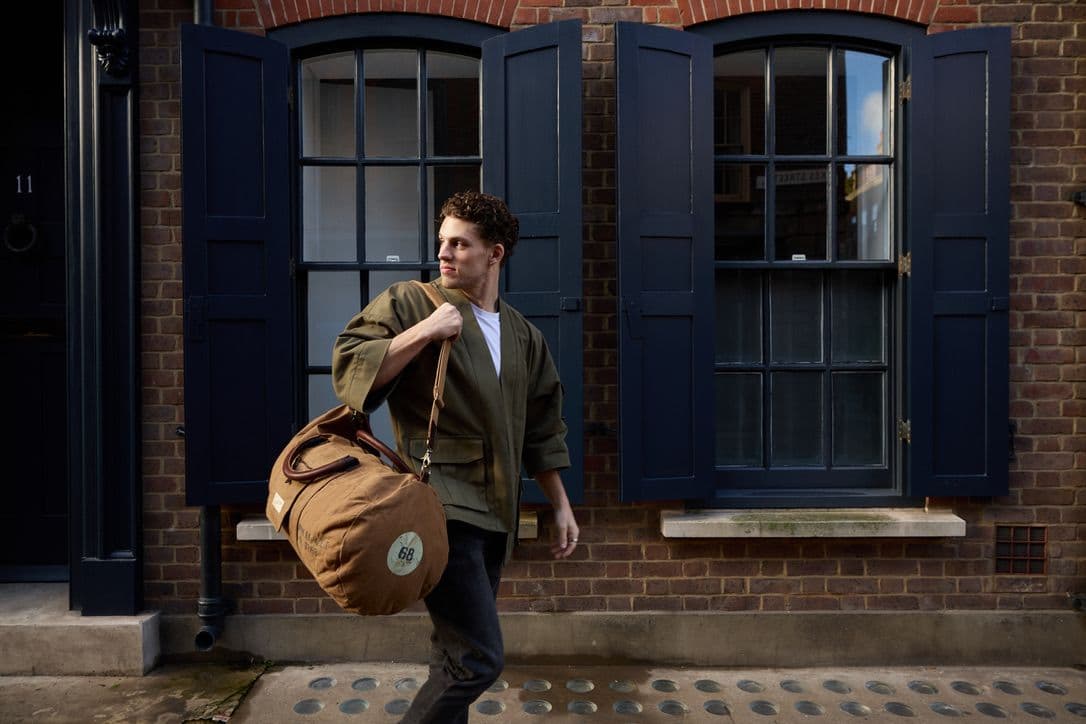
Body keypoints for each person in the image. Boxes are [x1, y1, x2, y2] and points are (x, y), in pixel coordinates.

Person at [332, 191, 580, 723]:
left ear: (495, 254)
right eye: (442, 241)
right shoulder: (409, 302)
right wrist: (425, 331)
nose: (445, 253)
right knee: (477, 660)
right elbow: (351, 366)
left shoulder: (523, 336)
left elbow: (542, 426)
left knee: (452, 655)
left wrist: (560, 504)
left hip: (497, 514)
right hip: (440, 510)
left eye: (460, 244)